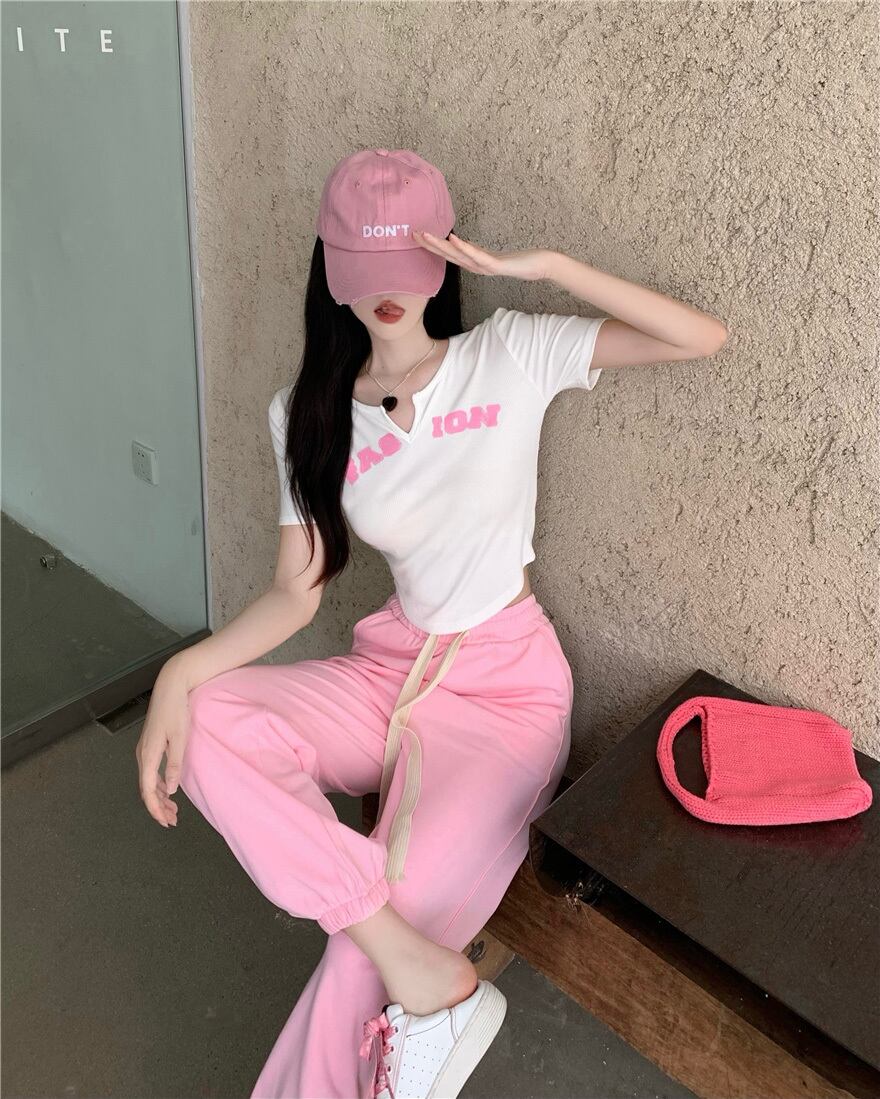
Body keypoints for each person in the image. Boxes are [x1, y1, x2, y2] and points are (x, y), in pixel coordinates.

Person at [136, 147, 728, 1099]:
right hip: (388, 670)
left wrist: (545, 267)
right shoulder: (307, 414)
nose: (390, 294)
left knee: (363, 949)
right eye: (367, 270)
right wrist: (178, 674)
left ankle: (392, 978)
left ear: (445, 258)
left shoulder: (509, 354)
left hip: (505, 693)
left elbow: (699, 337)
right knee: (208, 717)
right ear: (333, 271)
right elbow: (296, 591)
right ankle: (415, 967)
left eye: (408, 265)